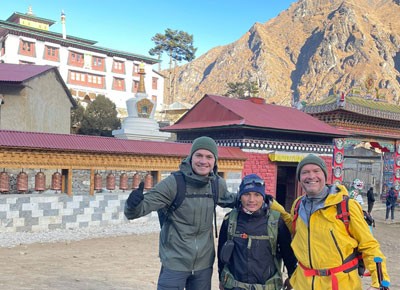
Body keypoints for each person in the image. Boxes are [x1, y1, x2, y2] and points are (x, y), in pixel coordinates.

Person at [124, 136, 236, 290]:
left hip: (203, 264)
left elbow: (233, 200)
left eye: (209, 157)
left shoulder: (216, 184)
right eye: (199, 155)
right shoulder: (174, 183)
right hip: (174, 262)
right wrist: (132, 204)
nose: (203, 161)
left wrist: (260, 198)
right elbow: (138, 209)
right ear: (191, 157)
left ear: (215, 161)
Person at [289, 154, 390, 290]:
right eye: (305, 172)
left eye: (316, 171)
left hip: (340, 284)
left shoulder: (346, 206)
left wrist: (379, 282)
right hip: (303, 283)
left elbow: (369, 245)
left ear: (325, 175)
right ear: (299, 178)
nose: (311, 176)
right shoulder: (297, 206)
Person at [217, 174, 297, 290]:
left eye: (257, 195)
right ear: (240, 196)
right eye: (246, 194)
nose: (251, 200)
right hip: (235, 286)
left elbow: (288, 254)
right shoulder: (230, 220)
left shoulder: (276, 222)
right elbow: (221, 253)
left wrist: (292, 277)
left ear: (263, 197)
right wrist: (221, 277)